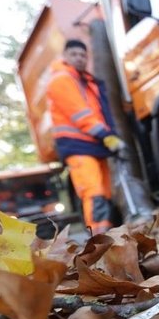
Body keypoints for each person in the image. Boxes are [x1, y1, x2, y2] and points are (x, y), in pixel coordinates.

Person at [46, 39, 125, 234]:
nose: (79, 58)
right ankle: (97, 242)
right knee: (94, 193)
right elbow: (81, 114)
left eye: (83, 55)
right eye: (74, 54)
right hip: (78, 146)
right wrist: (106, 135)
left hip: (93, 145)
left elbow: (99, 113)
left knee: (105, 194)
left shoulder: (85, 81)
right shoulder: (61, 80)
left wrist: (107, 136)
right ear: (65, 57)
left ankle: (106, 237)